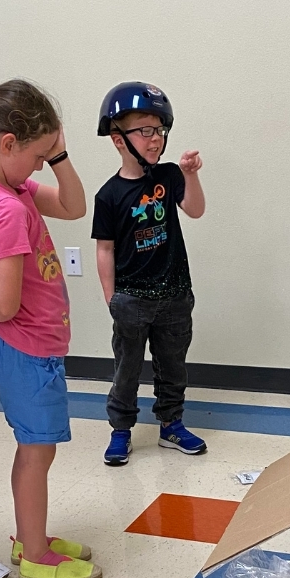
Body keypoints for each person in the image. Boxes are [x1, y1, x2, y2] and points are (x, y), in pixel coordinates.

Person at [0, 80, 101, 578]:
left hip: (29, 349)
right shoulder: (8, 208)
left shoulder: (8, 190)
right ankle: (34, 553)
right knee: (37, 453)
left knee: (36, 449)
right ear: (8, 144)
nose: (42, 166)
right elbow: (9, 303)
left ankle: (28, 537)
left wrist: (59, 156)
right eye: (37, 156)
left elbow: (76, 206)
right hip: (26, 351)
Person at [93, 82, 207, 466]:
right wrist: (112, 298)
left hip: (175, 292)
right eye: (145, 130)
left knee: (173, 365)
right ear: (117, 137)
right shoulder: (108, 196)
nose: (155, 139)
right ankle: (121, 430)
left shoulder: (169, 176)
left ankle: (171, 424)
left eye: (159, 130)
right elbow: (104, 249)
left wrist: (190, 175)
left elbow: (195, 210)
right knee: (126, 368)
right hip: (131, 298)